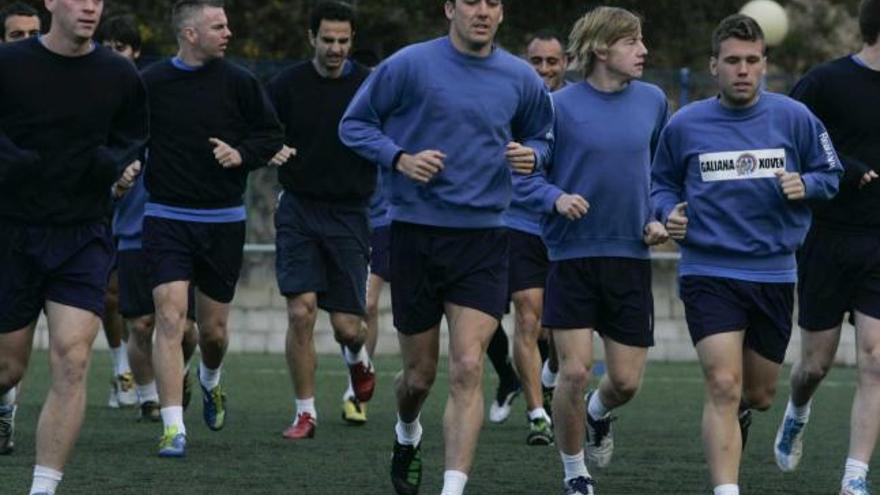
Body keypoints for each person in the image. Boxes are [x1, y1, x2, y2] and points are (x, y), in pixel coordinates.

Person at [340, 0, 554, 493]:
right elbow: (353, 126)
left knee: (467, 365)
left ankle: (451, 487)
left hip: (484, 238)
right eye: (472, 1)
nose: (483, 11)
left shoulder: (520, 78)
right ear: (449, 8)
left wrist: (531, 154)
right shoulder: (409, 65)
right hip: (415, 235)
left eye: (494, 3)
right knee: (418, 377)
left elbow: (544, 136)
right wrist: (399, 159)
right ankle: (406, 432)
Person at [651, 14, 842, 495]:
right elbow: (661, 183)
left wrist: (808, 184)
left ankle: (740, 415)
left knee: (757, 394)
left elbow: (831, 173)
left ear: (764, 64)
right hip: (707, 270)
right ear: (713, 66)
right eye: (732, 61)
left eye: (752, 61)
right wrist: (666, 212)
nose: (742, 69)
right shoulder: (685, 123)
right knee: (722, 383)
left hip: (774, 272)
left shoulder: (795, 118)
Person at [0, 0, 147, 491]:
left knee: (73, 357)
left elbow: (133, 136)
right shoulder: (11, 64)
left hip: (82, 233)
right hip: (14, 232)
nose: (90, 7)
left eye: (98, 0)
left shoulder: (118, 74)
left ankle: (43, 487)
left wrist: (111, 165)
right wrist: (17, 164)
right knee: (8, 367)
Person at [142, 0, 285, 457]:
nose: (228, 32)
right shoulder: (150, 83)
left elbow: (271, 136)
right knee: (168, 317)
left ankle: (210, 379)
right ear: (189, 33)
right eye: (218, 26)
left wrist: (241, 154)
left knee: (213, 334)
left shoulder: (241, 82)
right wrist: (124, 167)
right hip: (165, 216)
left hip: (223, 221)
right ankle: (172, 428)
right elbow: (124, 133)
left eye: (227, 24)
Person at [534, 8, 669, 493]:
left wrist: (658, 216)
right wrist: (556, 198)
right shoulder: (556, 107)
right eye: (632, 42)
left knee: (626, 383)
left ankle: (598, 412)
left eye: (642, 41)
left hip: (631, 257)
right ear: (600, 49)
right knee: (572, 370)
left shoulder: (653, 100)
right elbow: (528, 176)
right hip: (571, 256)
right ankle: (575, 474)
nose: (644, 51)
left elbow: (661, 175)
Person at [772, 1, 880, 494]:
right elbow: (789, 138)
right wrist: (847, 166)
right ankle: (796, 411)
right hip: (827, 238)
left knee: (876, 359)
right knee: (814, 364)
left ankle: (854, 477)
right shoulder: (825, 81)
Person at [266, 0, 376, 439]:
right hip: (298, 208)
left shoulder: (371, 86)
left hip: (350, 212)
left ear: (352, 41)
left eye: (343, 41)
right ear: (311, 38)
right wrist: (269, 148)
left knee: (349, 327)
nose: (335, 48)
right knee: (301, 312)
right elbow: (260, 129)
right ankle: (305, 413)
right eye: (327, 40)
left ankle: (358, 360)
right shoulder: (285, 85)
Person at [97, 13, 201, 422]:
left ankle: (180, 371)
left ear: (136, 52)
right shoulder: (95, 102)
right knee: (138, 320)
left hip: (175, 222)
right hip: (129, 225)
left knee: (188, 329)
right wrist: (115, 186)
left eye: (121, 49)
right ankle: (145, 395)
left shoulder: (156, 92)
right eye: (108, 49)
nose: (115, 57)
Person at [490, 29, 571, 440]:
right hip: (518, 224)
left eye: (552, 61)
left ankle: (552, 372)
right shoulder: (510, 102)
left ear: (566, 63)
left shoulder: (575, 107)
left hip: (566, 229)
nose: (544, 70)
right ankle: (538, 413)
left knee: (553, 330)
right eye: (536, 61)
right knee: (527, 315)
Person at [0, 0, 42, 456]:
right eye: (18, 37)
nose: (28, 46)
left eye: (35, 35)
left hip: (40, 229)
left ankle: (5, 405)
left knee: (12, 357)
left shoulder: (63, 86)